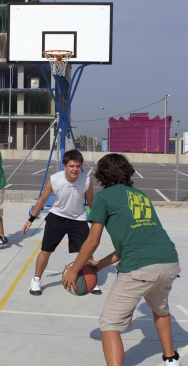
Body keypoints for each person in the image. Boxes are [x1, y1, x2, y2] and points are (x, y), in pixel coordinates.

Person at [62, 153, 181, 366]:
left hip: (140, 269)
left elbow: (92, 241)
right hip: (169, 261)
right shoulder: (141, 195)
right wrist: (99, 265)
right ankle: (171, 359)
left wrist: (74, 270)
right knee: (161, 309)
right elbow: (133, 243)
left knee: (109, 323)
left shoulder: (104, 198)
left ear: (102, 175)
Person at [22, 149, 102, 296]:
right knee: (46, 251)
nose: (75, 169)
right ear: (64, 166)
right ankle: (36, 280)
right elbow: (42, 200)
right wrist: (31, 219)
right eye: (71, 166)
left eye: (78, 166)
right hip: (57, 218)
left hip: (78, 219)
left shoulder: (86, 181)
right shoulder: (55, 179)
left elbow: (91, 203)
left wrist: (98, 222)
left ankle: (91, 278)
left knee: (87, 250)